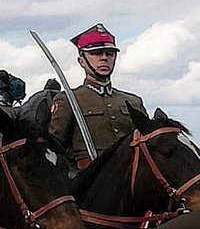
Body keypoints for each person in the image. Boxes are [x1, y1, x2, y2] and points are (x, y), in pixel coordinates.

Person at [48, 25, 146, 167]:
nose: (104, 58)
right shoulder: (68, 99)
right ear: (81, 61)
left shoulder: (133, 101)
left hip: (130, 174)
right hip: (88, 179)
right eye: (96, 53)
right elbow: (55, 147)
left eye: (109, 54)